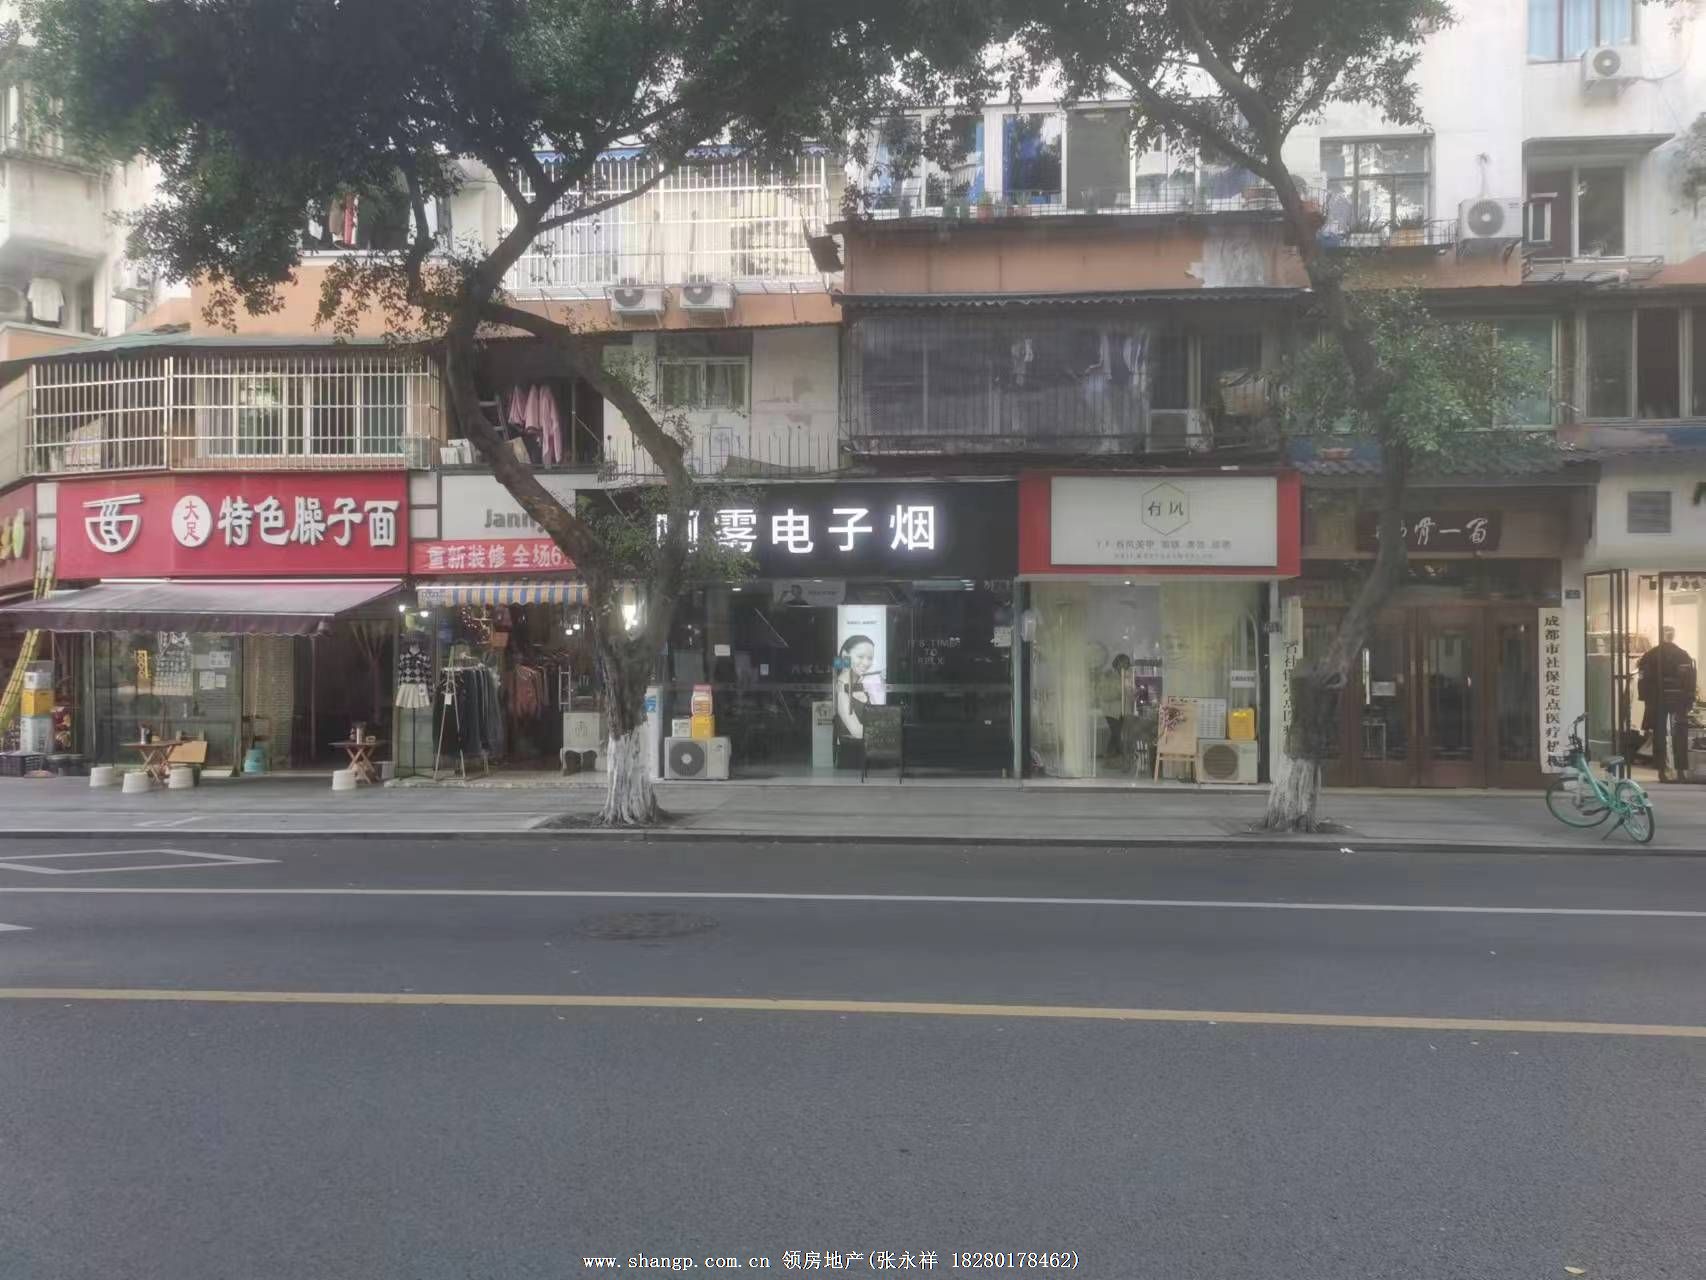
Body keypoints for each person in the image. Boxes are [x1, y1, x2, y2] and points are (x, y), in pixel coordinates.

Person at [1637, 626, 1697, 782]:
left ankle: (1662, 771)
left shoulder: (1650, 655)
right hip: (1678, 700)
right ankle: (1680, 771)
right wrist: (1689, 698)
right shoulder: (1682, 655)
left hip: (1658, 700)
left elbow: (1642, 678)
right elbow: (1690, 680)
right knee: (1679, 734)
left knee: (1660, 735)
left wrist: (1646, 698)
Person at [833, 634, 885, 741]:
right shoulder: (840, 688)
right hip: (852, 750)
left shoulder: (861, 683)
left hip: (868, 748)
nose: (866, 663)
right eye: (860, 657)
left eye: (870, 658)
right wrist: (889, 729)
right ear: (845, 655)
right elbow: (857, 732)